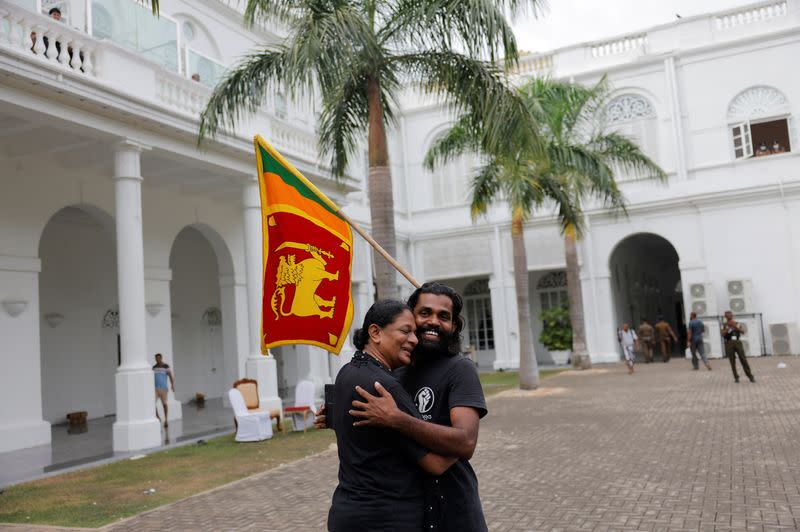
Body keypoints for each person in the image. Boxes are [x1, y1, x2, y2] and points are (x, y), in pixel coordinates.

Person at [337, 282, 489, 531]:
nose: (434, 322)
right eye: (425, 313)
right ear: (410, 316)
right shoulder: (394, 369)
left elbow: (466, 442)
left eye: (444, 316)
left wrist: (397, 419)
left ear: (454, 326)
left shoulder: (460, 370)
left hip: (453, 510)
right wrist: (335, 413)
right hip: (409, 510)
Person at [327, 299, 455, 531]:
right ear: (375, 332)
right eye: (405, 331)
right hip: (387, 518)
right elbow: (435, 464)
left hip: (347, 512)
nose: (414, 340)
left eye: (415, 333)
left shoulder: (346, 373)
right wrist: (461, 439)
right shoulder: (385, 388)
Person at [720, 311, 755, 383]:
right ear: (725, 317)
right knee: (732, 361)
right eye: (728, 316)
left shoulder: (737, 323)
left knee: (743, 359)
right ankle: (736, 377)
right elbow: (722, 334)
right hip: (729, 343)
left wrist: (734, 326)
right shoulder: (723, 325)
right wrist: (728, 328)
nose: (730, 317)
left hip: (737, 342)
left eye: (731, 315)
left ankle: (750, 376)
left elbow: (743, 332)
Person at [152, 353, 175, 427]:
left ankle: (166, 420)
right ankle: (158, 418)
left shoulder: (166, 366)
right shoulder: (154, 367)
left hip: (164, 389)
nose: (157, 359)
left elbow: (170, 376)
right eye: (156, 358)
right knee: (152, 404)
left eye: (159, 358)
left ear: (161, 358)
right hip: (155, 389)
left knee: (164, 404)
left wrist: (172, 385)